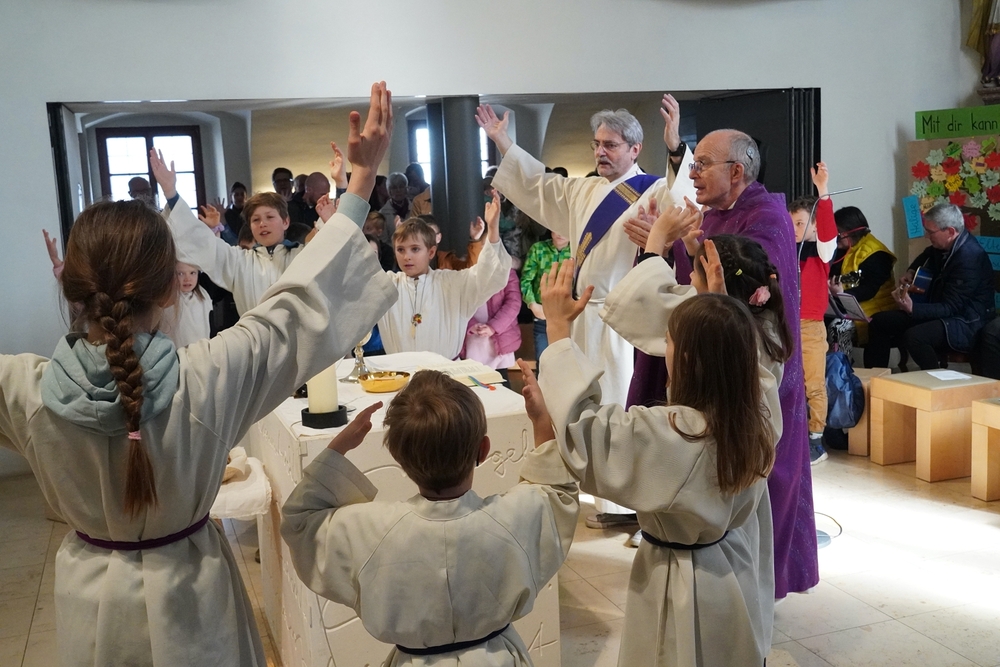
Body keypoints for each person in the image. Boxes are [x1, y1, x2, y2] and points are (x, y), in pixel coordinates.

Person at [0, 81, 397, 667]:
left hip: (92, 604)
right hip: (192, 599)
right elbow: (297, 309)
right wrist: (359, 184)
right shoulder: (209, 374)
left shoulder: (24, 391)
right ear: (171, 287)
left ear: (71, 290)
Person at [525, 255, 782, 666]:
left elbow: (585, 432)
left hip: (681, 582)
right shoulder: (757, 414)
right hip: (733, 570)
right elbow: (750, 370)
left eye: (669, 342)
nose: (666, 351)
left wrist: (557, 330)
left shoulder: (674, 436)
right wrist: (718, 310)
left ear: (687, 360)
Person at [479, 95, 695, 527]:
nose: (600, 152)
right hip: (579, 316)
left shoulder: (653, 189)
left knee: (617, 403)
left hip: (621, 319)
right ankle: (594, 491)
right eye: (597, 144)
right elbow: (538, 185)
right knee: (578, 401)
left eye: (610, 145)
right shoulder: (582, 189)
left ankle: (624, 504)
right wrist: (503, 142)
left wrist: (675, 149)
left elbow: (685, 203)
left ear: (635, 149)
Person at [280, 371, 578, 666]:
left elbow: (300, 520)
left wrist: (339, 447)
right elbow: (555, 491)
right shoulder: (512, 518)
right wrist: (540, 419)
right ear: (483, 450)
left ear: (398, 457)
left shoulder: (371, 531)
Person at [667, 128, 817, 599]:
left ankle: (762, 581)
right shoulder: (716, 215)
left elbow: (747, 285)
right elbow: (700, 278)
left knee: (761, 476)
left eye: (701, 164)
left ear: (736, 171)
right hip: (721, 367)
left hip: (760, 371)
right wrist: (681, 246)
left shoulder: (766, 216)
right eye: (692, 164)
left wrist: (687, 248)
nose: (693, 173)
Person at [159, 167, 307, 316]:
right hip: (255, 331)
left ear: (285, 222)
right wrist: (171, 193)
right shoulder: (239, 261)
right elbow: (204, 243)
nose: (262, 224)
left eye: (269, 217)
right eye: (256, 220)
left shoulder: (302, 255)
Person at [378, 194, 511, 359]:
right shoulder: (387, 285)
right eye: (400, 250)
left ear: (431, 252)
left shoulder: (453, 284)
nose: (407, 257)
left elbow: (490, 275)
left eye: (415, 249)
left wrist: (493, 228)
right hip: (401, 370)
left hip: (444, 370)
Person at [865, 202, 996, 370]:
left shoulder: (969, 259)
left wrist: (912, 309)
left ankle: (935, 380)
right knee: (879, 321)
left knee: (915, 337)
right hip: (943, 309)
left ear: (950, 231)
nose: (927, 236)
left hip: (966, 320)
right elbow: (927, 254)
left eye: (930, 232)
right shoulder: (946, 244)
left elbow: (951, 307)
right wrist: (911, 270)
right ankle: (875, 376)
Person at [789, 162, 837, 464]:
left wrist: (823, 190)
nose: (794, 229)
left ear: (815, 225)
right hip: (785, 324)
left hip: (810, 325)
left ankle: (816, 440)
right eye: (791, 223)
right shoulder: (787, 250)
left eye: (800, 223)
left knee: (814, 384)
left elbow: (829, 234)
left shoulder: (821, 252)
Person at [828, 206, 897, 344]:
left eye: (838, 234)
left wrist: (842, 293)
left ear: (850, 233)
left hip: (873, 310)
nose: (834, 238)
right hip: (847, 306)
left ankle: (841, 358)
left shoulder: (876, 255)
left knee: (839, 328)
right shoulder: (842, 249)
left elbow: (869, 290)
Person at [461, 268, 522, 382]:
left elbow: (513, 303)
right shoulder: (463, 272)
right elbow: (457, 303)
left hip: (500, 337)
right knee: (473, 382)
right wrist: (471, 324)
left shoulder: (506, 271)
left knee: (500, 382)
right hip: (471, 338)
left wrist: (494, 327)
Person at [520, 231, 572, 360]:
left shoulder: (576, 251)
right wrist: (532, 304)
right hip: (543, 313)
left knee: (568, 359)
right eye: (556, 228)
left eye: (564, 229)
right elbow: (526, 280)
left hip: (569, 315)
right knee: (543, 358)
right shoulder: (538, 249)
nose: (560, 233)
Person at [159, 261, 212, 348]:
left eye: (192, 273)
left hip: (200, 351)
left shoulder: (204, 294)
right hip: (175, 351)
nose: (187, 279)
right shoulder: (166, 297)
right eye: (180, 274)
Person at [379, 172, 410, 240]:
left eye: (401, 187)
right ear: (389, 191)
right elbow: (383, 240)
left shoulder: (414, 207)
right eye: (394, 188)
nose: (398, 190)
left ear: (406, 189)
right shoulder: (383, 213)